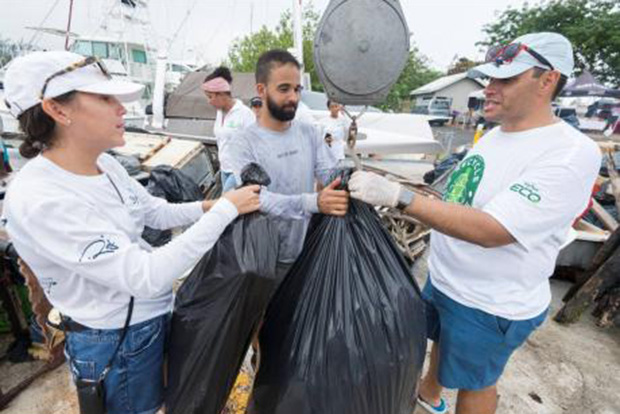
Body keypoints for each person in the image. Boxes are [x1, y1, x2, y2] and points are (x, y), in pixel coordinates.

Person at [348, 33, 601, 414]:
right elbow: (459, 200)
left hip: (490, 303)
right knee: (440, 344)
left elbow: (492, 230)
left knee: (477, 381)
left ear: (547, 80)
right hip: (447, 280)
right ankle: (429, 396)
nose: (490, 89)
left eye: (506, 80)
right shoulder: (497, 135)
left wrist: (400, 197)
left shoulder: (569, 153)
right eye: (491, 79)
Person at [1, 51, 260, 414]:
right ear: (58, 111)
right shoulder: (40, 198)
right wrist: (227, 210)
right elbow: (144, 276)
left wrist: (214, 205)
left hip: (152, 321)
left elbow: (154, 212)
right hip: (116, 343)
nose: (122, 108)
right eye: (106, 98)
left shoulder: (103, 164)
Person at [228, 49, 349, 276]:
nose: (293, 97)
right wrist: (313, 203)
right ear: (261, 90)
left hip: (307, 249)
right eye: (284, 89)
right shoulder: (244, 143)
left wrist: (350, 180)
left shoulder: (310, 132)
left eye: (297, 89)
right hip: (264, 257)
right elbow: (256, 198)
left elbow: (327, 173)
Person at [202, 67, 255, 192]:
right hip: (224, 169)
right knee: (232, 207)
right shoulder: (219, 113)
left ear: (221, 94)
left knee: (225, 204)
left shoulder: (244, 114)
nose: (208, 102)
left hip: (239, 170)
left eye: (210, 97)